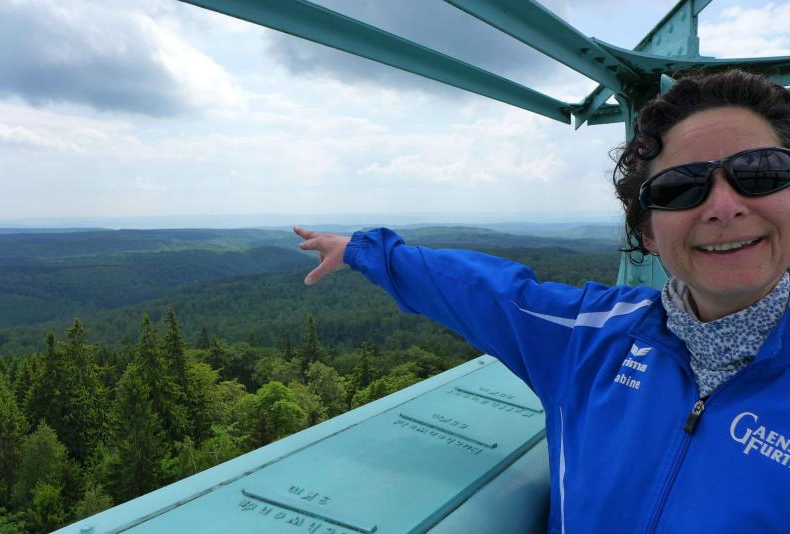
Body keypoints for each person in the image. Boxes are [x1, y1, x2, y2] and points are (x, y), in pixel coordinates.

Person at [295, 69, 790, 533]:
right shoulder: (592, 340)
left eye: (762, 172)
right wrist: (362, 251)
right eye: (681, 187)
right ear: (648, 233)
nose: (724, 207)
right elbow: (485, 292)